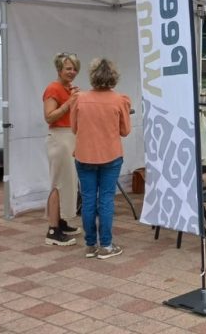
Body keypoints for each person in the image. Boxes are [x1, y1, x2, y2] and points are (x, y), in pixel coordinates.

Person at [71, 58, 131, 259]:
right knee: (106, 199)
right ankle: (106, 245)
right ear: (114, 77)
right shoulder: (120, 100)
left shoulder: (79, 99)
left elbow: (74, 128)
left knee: (88, 198)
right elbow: (125, 131)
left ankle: (90, 245)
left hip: (84, 155)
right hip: (110, 155)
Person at [42, 52, 82, 246]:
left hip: (69, 137)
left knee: (68, 182)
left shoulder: (68, 88)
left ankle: (62, 221)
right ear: (59, 69)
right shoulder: (53, 88)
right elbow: (49, 117)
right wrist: (69, 103)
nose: (72, 72)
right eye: (68, 68)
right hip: (59, 137)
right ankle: (53, 230)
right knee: (58, 183)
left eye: (74, 68)